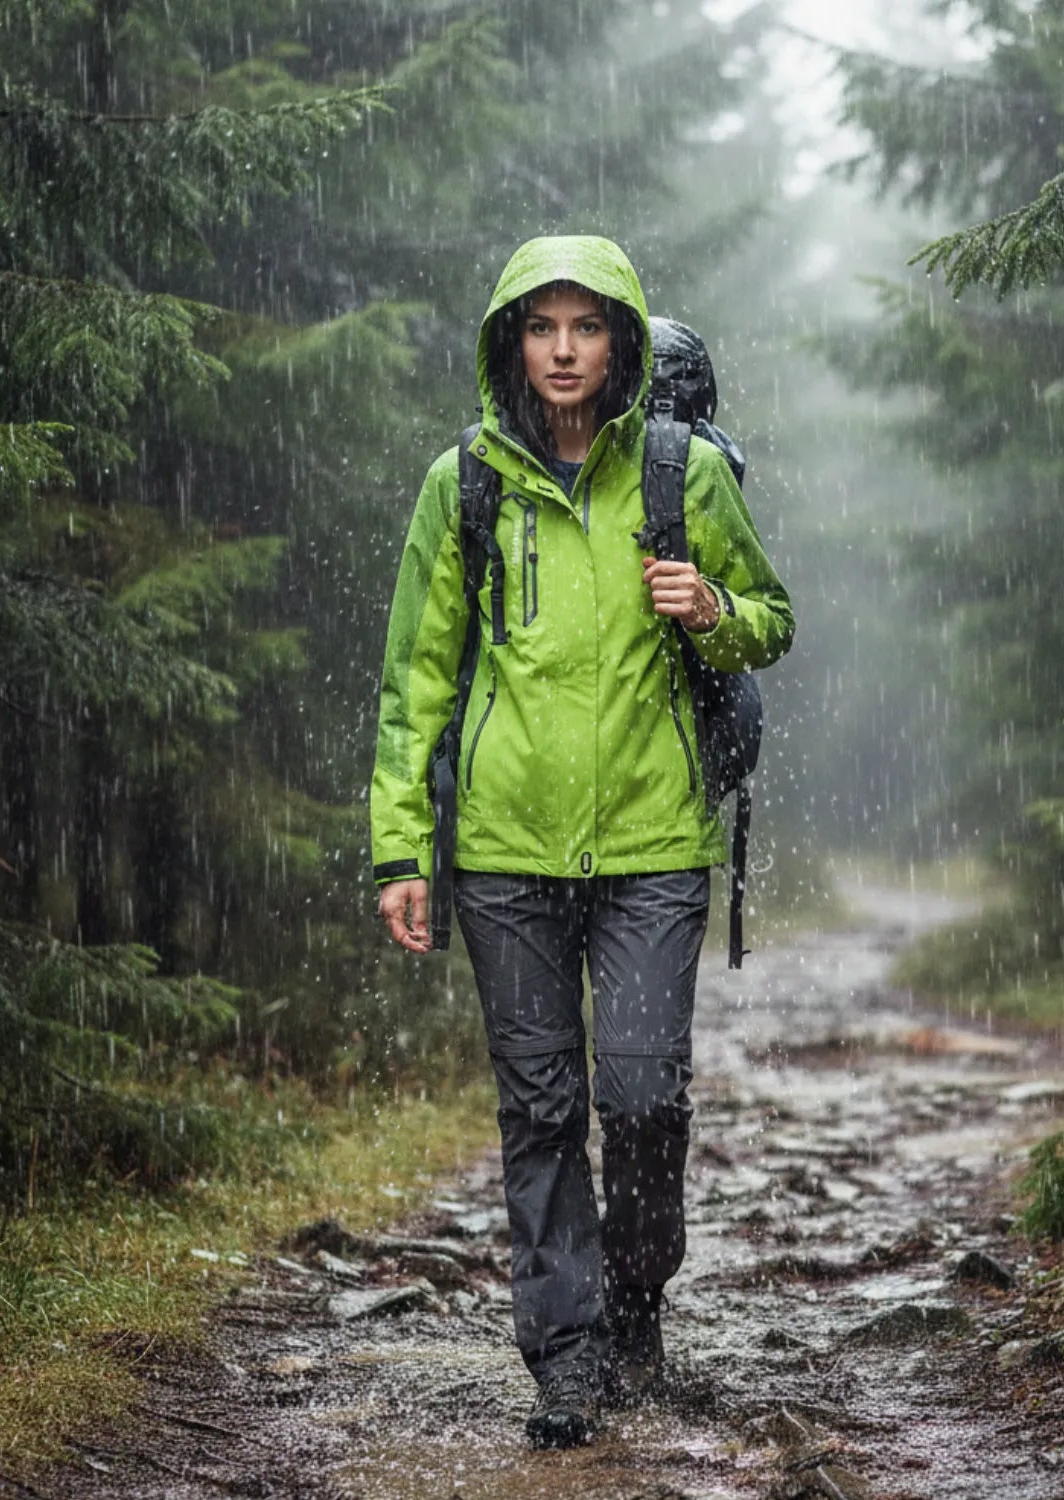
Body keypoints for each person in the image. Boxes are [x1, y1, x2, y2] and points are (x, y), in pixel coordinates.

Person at [370, 235, 794, 1449]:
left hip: (656, 844)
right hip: (503, 854)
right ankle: (564, 1360)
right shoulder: (463, 486)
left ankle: (636, 1298)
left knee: (646, 1092)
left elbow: (771, 620)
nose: (564, 351)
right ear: (512, 340)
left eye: (587, 329)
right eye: (542, 328)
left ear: (622, 343)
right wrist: (404, 851)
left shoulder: (680, 475)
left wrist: (713, 609)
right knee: (542, 1109)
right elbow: (416, 683)